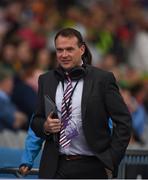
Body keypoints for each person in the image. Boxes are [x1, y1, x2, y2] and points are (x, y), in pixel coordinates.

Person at [31, 27, 131, 179]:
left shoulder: (102, 79)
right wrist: (45, 126)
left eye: (69, 49)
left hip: (94, 166)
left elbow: (124, 122)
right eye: (59, 50)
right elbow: (36, 121)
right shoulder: (46, 80)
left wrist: (111, 159)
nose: (64, 55)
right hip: (56, 166)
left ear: (82, 49)